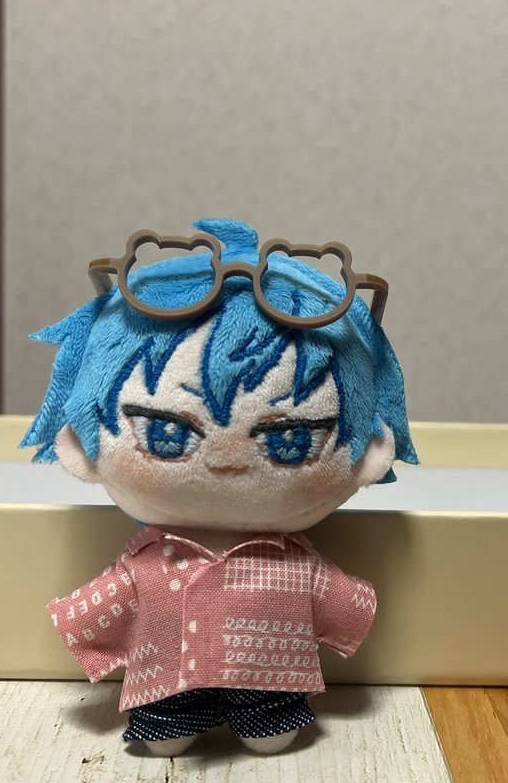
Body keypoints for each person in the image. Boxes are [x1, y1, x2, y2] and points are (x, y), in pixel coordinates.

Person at [22, 216, 416, 755]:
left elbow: (338, 603)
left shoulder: (284, 565)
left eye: (289, 439)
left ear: (368, 455)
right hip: (166, 680)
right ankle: (173, 722)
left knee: (269, 724)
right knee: (168, 725)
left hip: (271, 678)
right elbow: (110, 600)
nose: (228, 460)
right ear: (81, 447)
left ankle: (258, 720)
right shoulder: (152, 563)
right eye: (165, 433)